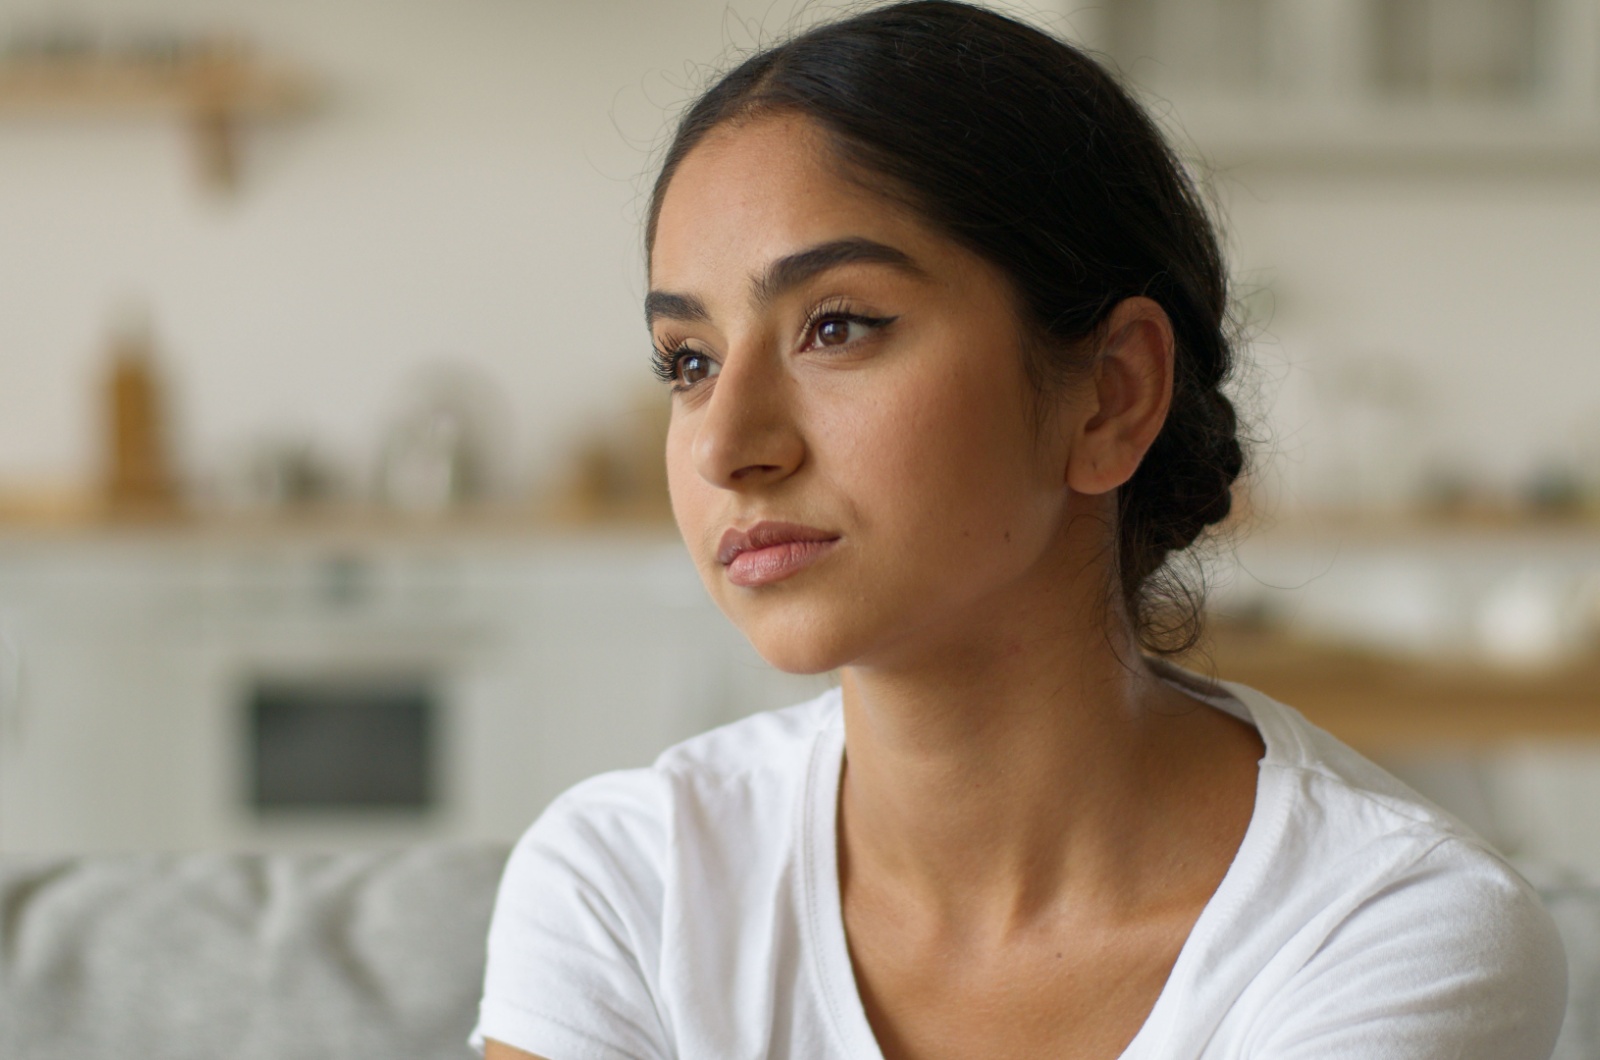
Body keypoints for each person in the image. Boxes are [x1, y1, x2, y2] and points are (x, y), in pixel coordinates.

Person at [473, 3, 1567, 1057]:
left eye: (836, 326)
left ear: (1110, 396)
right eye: (690, 362)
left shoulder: (1383, 930)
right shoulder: (624, 882)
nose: (725, 447)